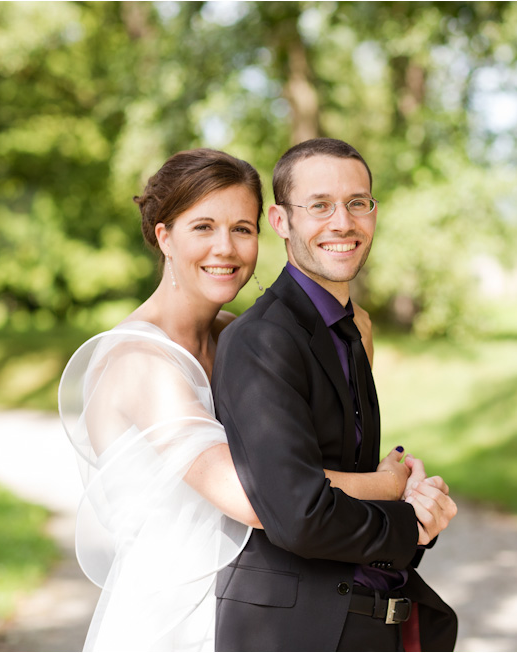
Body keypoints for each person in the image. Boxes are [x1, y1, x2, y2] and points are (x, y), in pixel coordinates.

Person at [59, 148, 420, 651]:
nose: (225, 248)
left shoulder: (239, 335)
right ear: (165, 237)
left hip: (256, 605)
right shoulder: (140, 361)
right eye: (202, 227)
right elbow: (256, 495)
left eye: (242, 229)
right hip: (175, 617)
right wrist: (387, 485)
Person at [212, 138, 459, 652]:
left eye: (357, 203)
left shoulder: (351, 329)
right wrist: (408, 523)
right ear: (281, 221)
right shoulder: (262, 339)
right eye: (319, 205)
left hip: (368, 622)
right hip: (293, 634)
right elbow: (299, 514)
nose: (342, 222)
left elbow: (354, 481)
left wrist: (421, 515)